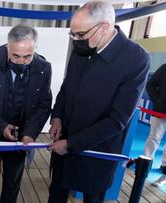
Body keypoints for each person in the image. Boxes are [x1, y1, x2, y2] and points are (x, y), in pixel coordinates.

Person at [48, 1, 150, 202]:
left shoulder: (136, 59)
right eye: (73, 34)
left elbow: (117, 120)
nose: (76, 40)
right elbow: (66, 88)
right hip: (63, 146)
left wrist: (71, 144)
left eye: (81, 35)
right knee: (55, 195)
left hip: (98, 153)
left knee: (92, 198)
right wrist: (57, 117)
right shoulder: (82, 47)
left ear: (104, 27)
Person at [0, 24, 52, 203]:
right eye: (16, 56)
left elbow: (44, 105)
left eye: (27, 56)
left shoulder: (44, 68)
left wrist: (30, 133)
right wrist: (1, 126)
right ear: (8, 47)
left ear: (35, 49)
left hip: (19, 138)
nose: (21, 61)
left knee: (12, 184)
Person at [143, 64, 166, 187]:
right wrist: (157, 100)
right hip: (160, 111)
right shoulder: (164, 68)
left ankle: (165, 173)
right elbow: (150, 84)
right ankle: (145, 164)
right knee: (153, 138)